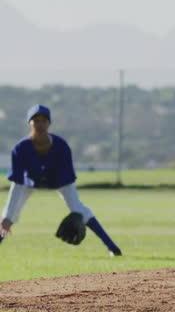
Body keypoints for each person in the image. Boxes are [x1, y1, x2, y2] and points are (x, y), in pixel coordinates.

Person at [0, 104, 122, 256]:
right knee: (8, 214)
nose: (40, 124)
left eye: (44, 120)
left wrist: (76, 213)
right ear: (29, 123)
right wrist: (7, 217)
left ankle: (112, 247)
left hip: (58, 181)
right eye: (36, 120)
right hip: (28, 182)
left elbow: (67, 178)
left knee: (79, 209)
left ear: (49, 123)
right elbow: (17, 182)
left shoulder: (61, 146)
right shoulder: (20, 148)